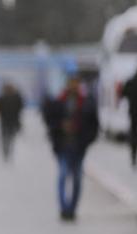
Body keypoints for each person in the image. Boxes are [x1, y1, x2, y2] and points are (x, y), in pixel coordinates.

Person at [42, 75, 99, 221]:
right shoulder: (59, 102)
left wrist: (86, 140)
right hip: (63, 145)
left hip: (79, 146)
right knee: (62, 175)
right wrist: (60, 126)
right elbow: (49, 121)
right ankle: (63, 208)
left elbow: (94, 125)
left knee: (77, 179)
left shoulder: (87, 102)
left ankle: (73, 208)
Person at [0, 82, 24, 161]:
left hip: (8, 121)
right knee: (8, 138)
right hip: (9, 121)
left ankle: (6, 152)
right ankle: (7, 152)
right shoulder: (13, 98)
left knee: (7, 138)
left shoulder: (5, 98)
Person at [121, 69, 137, 168]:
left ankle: (133, 157)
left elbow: (123, 94)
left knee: (133, 135)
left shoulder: (130, 81)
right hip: (133, 112)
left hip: (133, 112)